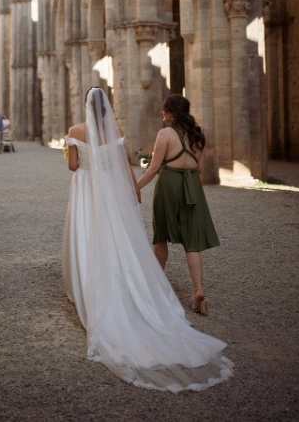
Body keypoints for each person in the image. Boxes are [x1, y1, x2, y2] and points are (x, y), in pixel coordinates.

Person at [63, 87, 233, 392]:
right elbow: (127, 165)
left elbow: (74, 166)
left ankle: (100, 279)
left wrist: (135, 183)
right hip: (163, 191)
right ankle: (183, 287)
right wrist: (132, 188)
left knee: (104, 234)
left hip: (91, 190)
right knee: (131, 237)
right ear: (107, 108)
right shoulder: (117, 131)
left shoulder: (76, 130)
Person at [134, 93, 220, 315]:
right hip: (192, 186)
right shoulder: (198, 136)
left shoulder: (165, 134)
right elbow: (200, 169)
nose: (162, 113)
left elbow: (153, 168)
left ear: (172, 113)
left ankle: (153, 287)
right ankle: (199, 290)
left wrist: (135, 186)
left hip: (169, 184)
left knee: (160, 237)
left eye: (165, 110)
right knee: (192, 242)